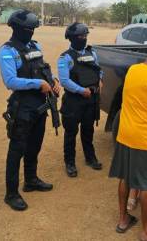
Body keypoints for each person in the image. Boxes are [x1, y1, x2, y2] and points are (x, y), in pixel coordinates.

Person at [0, 9, 61, 211]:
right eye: (28, 29)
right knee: (17, 150)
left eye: (33, 29)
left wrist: (53, 81)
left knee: (35, 145)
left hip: (40, 105)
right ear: (16, 28)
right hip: (22, 107)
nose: (31, 33)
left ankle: (31, 180)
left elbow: (43, 68)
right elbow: (10, 81)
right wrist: (38, 83)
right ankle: (11, 193)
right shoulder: (7, 51)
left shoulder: (35, 46)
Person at [109, 45, 147, 241]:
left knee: (125, 177)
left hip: (124, 132)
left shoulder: (133, 70)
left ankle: (123, 219)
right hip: (143, 138)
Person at [58, 22, 103, 178]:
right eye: (80, 36)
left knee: (88, 130)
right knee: (71, 133)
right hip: (74, 101)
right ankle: (69, 162)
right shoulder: (65, 57)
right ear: (71, 38)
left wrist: (100, 80)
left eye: (85, 36)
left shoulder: (92, 53)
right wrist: (80, 90)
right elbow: (64, 81)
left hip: (90, 100)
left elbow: (98, 69)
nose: (83, 38)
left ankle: (90, 158)